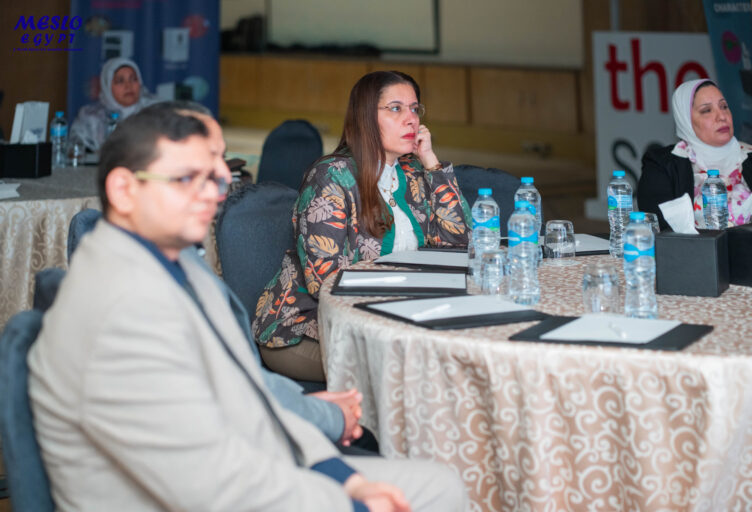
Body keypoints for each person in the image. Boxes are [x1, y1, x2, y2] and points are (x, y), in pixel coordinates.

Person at [28, 107, 467, 511]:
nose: (214, 194)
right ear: (124, 190)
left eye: (216, 174)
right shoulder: (117, 315)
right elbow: (214, 486)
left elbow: (246, 391)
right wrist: (353, 503)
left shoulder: (179, 265)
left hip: (248, 459)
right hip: (197, 493)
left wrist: (341, 475)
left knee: (442, 485)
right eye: (190, 177)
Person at [140, 100, 367, 448]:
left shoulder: (183, 264)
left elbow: (239, 377)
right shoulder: (138, 290)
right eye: (196, 167)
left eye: (221, 161)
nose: (223, 178)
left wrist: (315, 416)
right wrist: (326, 421)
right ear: (124, 188)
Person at [252, 71, 471, 382]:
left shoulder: (413, 172)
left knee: (449, 359)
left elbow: (459, 244)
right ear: (366, 117)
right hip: (307, 331)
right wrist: (406, 291)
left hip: (391, 323)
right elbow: (325, 281)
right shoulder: (330, 177)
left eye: (414, 109)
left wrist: (431, 162)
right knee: (414, 370)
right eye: (395, 108)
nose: (411, 119)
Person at [638, 78, 752, 231]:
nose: (722, 116)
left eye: (724, 107)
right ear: (686, 119)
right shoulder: (662, 166)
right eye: (707, 110)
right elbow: (659, 230)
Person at [70, 57, 158, 152]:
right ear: (107, 85)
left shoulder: (156, 112)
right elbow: (75, 151)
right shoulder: (90, 117)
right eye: (120, 81)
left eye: (133, 79)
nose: (128, 86)